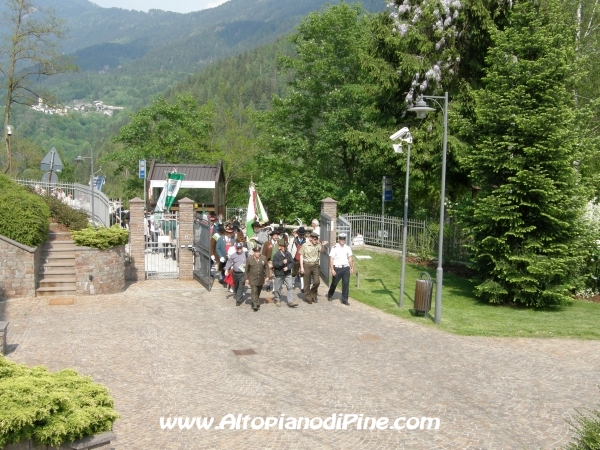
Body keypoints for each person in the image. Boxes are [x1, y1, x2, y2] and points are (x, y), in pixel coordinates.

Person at [300, 231, 328, 304]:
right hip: (307, 264)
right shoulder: (305, 245)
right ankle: (308, 297)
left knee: (317, 282)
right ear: (310, 239)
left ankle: (313, 294)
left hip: (315, 265)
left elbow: (321, 251)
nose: (316, 241)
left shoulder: (318, 245)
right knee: (307, 283)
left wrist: (322, 245)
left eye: (317, 239)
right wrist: (302, 267)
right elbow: (301, 256)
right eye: (314, 239)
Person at [326, 233, 354, 305]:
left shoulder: (347, 248)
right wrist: (332, 269)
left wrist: (351, 267)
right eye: (341, 239)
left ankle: (345, 299)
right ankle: (330, 294)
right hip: (337, 268)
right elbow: (331, 259)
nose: (342, 240)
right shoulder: (334, 248)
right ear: (338, 239)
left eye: (344, 239)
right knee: (334, 283)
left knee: (345, 284)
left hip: (345, 268)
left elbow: (350, 258)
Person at [272, 239, 298, 308]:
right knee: (277, 288)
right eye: (283, 246)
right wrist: (282, 263)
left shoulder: (288, 254)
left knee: (290, 286)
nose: (284, 248)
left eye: (285, 246)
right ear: (279, 247)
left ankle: (290, 301)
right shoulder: (276, 255)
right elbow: (275, 264)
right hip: (279, 274)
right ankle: (277, 299)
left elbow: (292, 263)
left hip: (287, 273)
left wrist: (288, 267)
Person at [245, 245, 268, 311]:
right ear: (253, 252)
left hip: (260, 278)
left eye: (258, 252)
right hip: (252, 278)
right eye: (256, 252)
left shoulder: (263, 258)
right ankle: (255, 304)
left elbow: (266, 267)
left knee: (258, 291)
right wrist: (246, 278)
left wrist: (267, 276)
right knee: (254, 291)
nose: (258, 253)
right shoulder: (249, 259)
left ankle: (255, 301)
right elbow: (246, 270)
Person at [224, 242, 248, 306]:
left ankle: (238, 300)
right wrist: (226, 270)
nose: (239, 249)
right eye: (238, 248)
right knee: (236, 286)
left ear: (242, 248)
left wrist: (247, 265)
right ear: (236, 248)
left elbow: (250, 262)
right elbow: (229, 262)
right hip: (235, 273)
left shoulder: (245, 254)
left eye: (240, 248)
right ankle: (238, 294)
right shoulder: (233, 255)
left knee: (241, 286)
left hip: (242, 273)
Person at [288, 226, 307, 292]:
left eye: (303, 234)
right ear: (298, 234)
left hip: (303, 259)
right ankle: (292, 283)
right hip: (295, 258)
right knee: (294, 272)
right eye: (300, 234)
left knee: (302, 273)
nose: (301, 235)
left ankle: (302, 286)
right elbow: (289, 249)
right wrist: (290, 258)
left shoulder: (306, 240)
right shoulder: (292, 240)